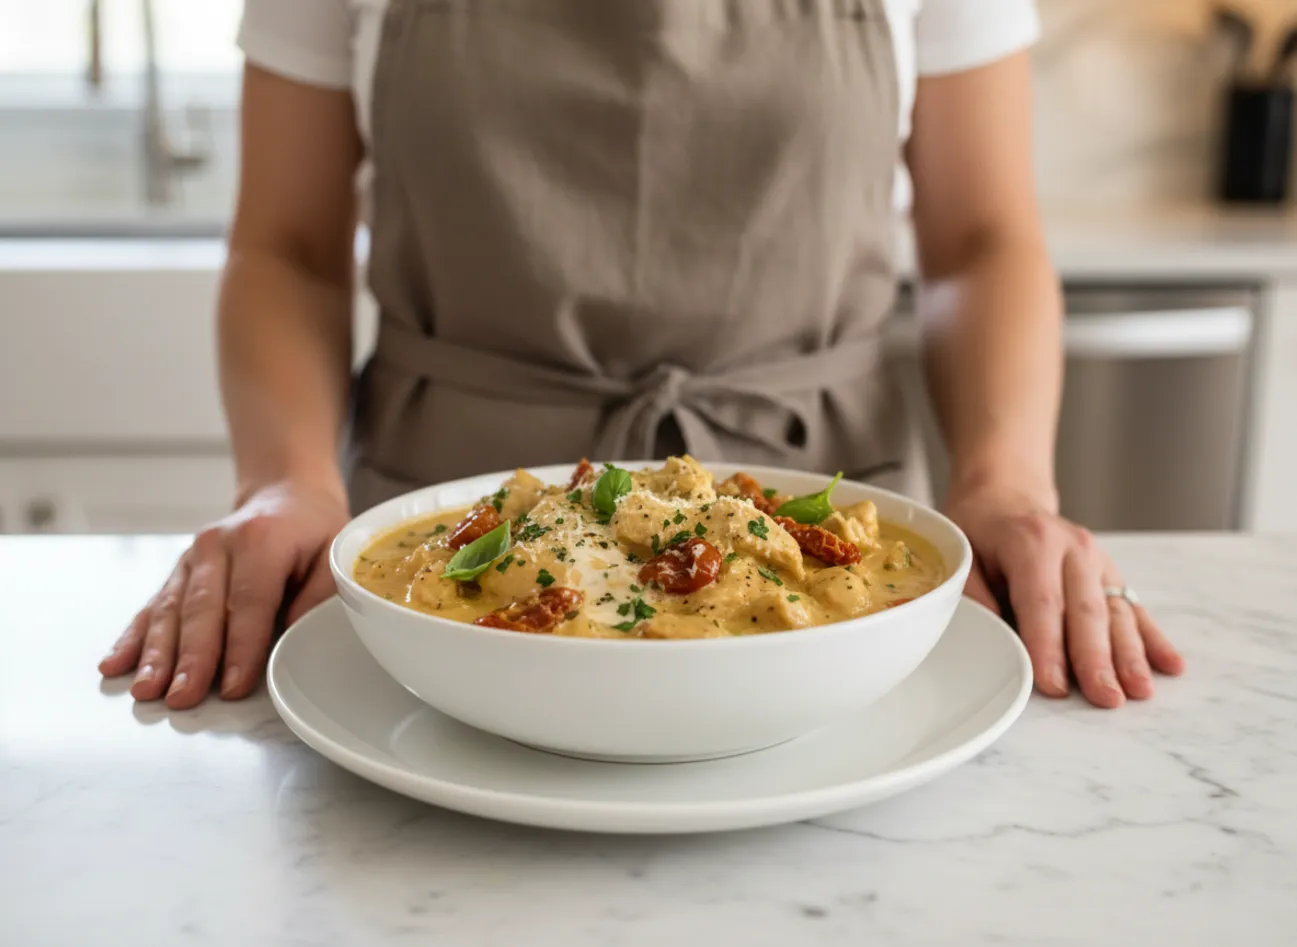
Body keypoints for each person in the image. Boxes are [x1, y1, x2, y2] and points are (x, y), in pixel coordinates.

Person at [99, 0, 1183, 711]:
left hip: (828, 566)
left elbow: (979, 240)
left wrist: (1004, 483)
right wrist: (283, 478)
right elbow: (286, 246)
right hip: (433, 554)